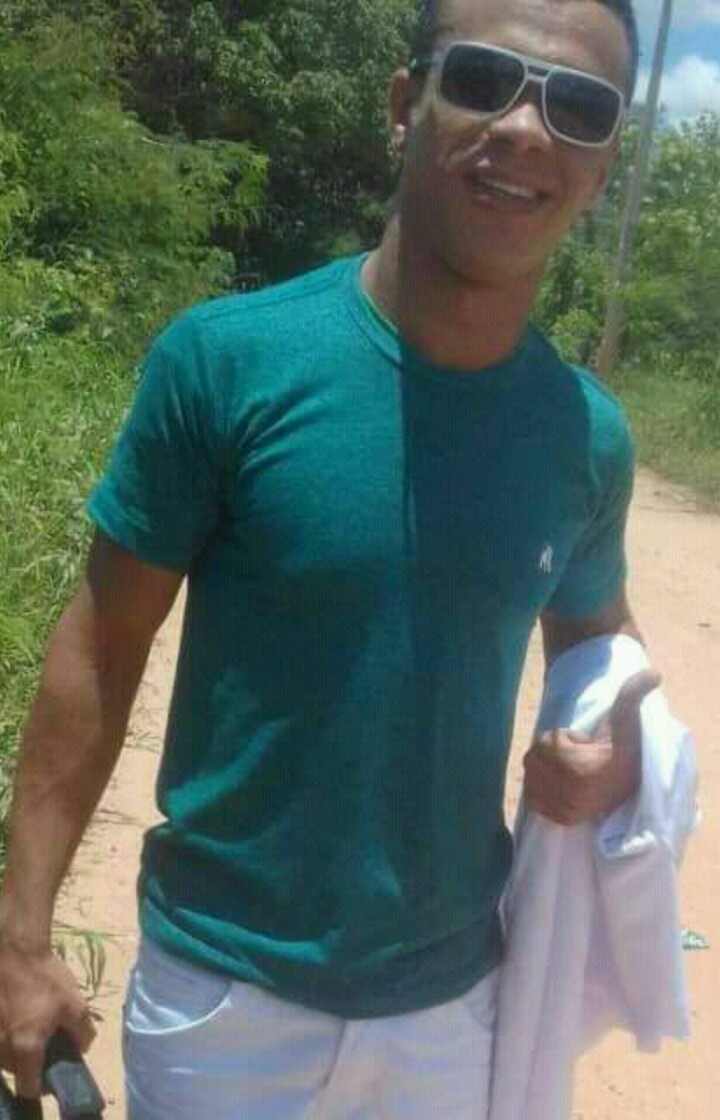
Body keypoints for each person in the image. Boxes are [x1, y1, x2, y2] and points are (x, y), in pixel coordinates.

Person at [0, 1, 662, 1116]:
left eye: (578, 107)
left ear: (601, 168)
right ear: (405, 106)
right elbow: (103, 644)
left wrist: (627, 750)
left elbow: (604, 645)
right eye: (484, 79)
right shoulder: (230, 363)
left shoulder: (583, 435)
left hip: (452, 1014)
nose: (525, 127)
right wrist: (20, 938)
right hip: (222, 1005)